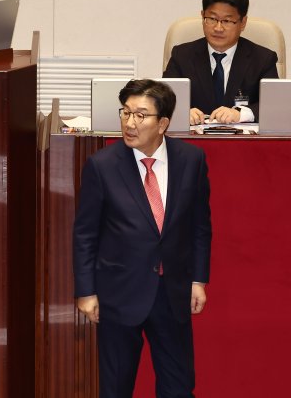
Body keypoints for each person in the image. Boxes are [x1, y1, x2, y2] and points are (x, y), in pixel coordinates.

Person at [73, 79, 212, 398]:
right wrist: (86, 290)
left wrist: (198, 279)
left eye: (140, 115)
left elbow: (200, 226)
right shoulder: (102, 166)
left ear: (163, 123)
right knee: (116, 387)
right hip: (119, 293)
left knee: (178, 386)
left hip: (172, 293)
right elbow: (85, 233)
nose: (130, 123)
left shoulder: (191, 160)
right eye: (126, 112)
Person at [163, 0, 278, 124]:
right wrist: (180, 112)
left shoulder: (263, 59)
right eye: (212, 19)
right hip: (193, 141)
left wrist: (241, 114)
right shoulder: (182, 55)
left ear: (243, 23)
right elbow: (162, 100)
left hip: (242, 142)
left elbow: (275, 106)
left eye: (227, 21)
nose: (218, 28)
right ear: (202, 16)